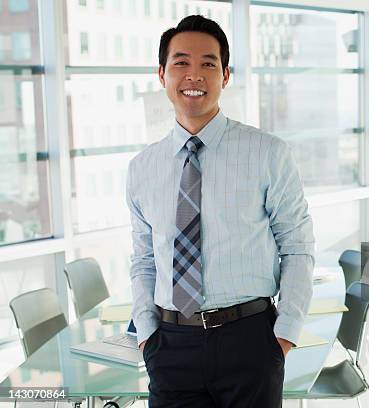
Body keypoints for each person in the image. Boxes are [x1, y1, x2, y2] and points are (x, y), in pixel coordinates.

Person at [125, 15, 315, 408]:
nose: (194, 74)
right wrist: (147, 332)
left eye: (208, 64)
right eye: (181, 63)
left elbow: (297, 247)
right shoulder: (142, 168)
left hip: (249, 341)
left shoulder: (268, 153)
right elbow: (145, 259)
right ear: (162, 74)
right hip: (170, 345)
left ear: (225, 75)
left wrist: (284, 337)